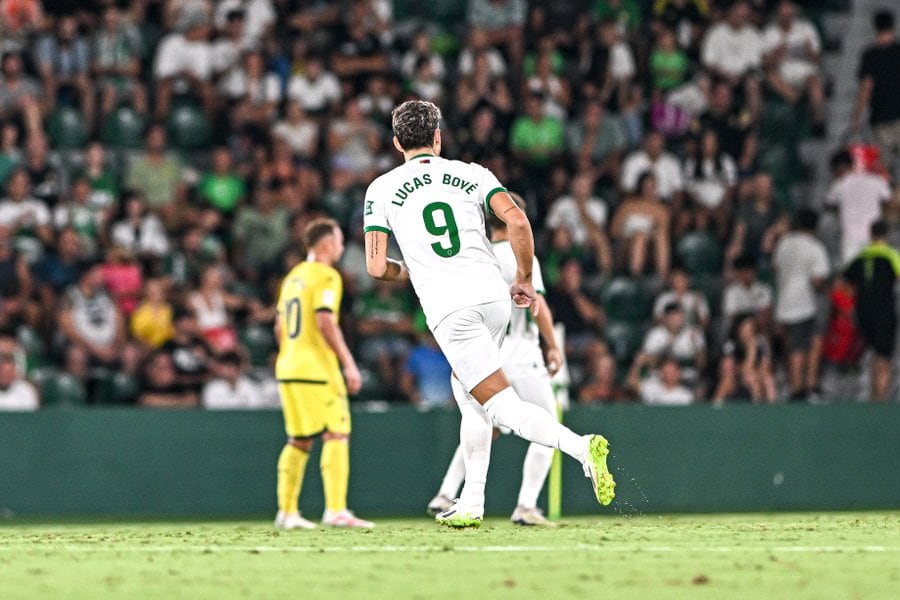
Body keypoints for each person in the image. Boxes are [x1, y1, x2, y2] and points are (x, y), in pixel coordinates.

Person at [364, 100, 615, 528]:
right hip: (494, 301)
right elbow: (517, 221)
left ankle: (581, 447)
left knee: (499, 406)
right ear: (438, 138)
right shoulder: (472, 174)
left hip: (451, 309)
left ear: (395, 143)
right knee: (469, 398)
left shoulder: (382, 189)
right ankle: (472, 502)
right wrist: (521, 277)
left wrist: (406, 269)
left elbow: (374, 266)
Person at [427, 193, 565, 527]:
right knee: (548, 427)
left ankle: (445, 493)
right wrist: (552, 344)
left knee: (482, 424)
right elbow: (538, 304)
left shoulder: (476, 257)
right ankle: (526, 505)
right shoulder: (520, 256)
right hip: (520, 352)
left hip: (483, 353)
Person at [273, 217, 373, 530]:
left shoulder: (293, 277)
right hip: (317, 370)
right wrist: (348, 362)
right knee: (337, 432)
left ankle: (287, 512)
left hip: (288, 367)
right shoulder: (327, 276)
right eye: (340, 240)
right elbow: (325, 320)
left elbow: (279, 327)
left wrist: (292, 352)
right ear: (327, 244)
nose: (342, 247)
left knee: (299, 440)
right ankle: (336, 509)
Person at [772, 209, 830, 401]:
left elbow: (776, 267)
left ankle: (795, 386)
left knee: (791, 347)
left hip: (783, 304)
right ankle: (798, 390)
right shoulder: (815, 247)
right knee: (800, 347)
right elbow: (817, 280)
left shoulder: (784, 243)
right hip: (802, 304)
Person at [843, 221, 900, 401]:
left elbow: (844, 283)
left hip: (862, 313)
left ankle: (873, 396)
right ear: (886, 234)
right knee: (883, 357)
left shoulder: (861, 256)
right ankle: (880, 399)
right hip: (884, 312)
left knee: (873, 354)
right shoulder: (891, 255)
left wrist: (850, 309)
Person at [851, 9, 900, 178]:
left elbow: (866, 87)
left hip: (881, 119)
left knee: (884, 171)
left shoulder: (870, 55)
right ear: (893, 27)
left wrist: (856, 117)